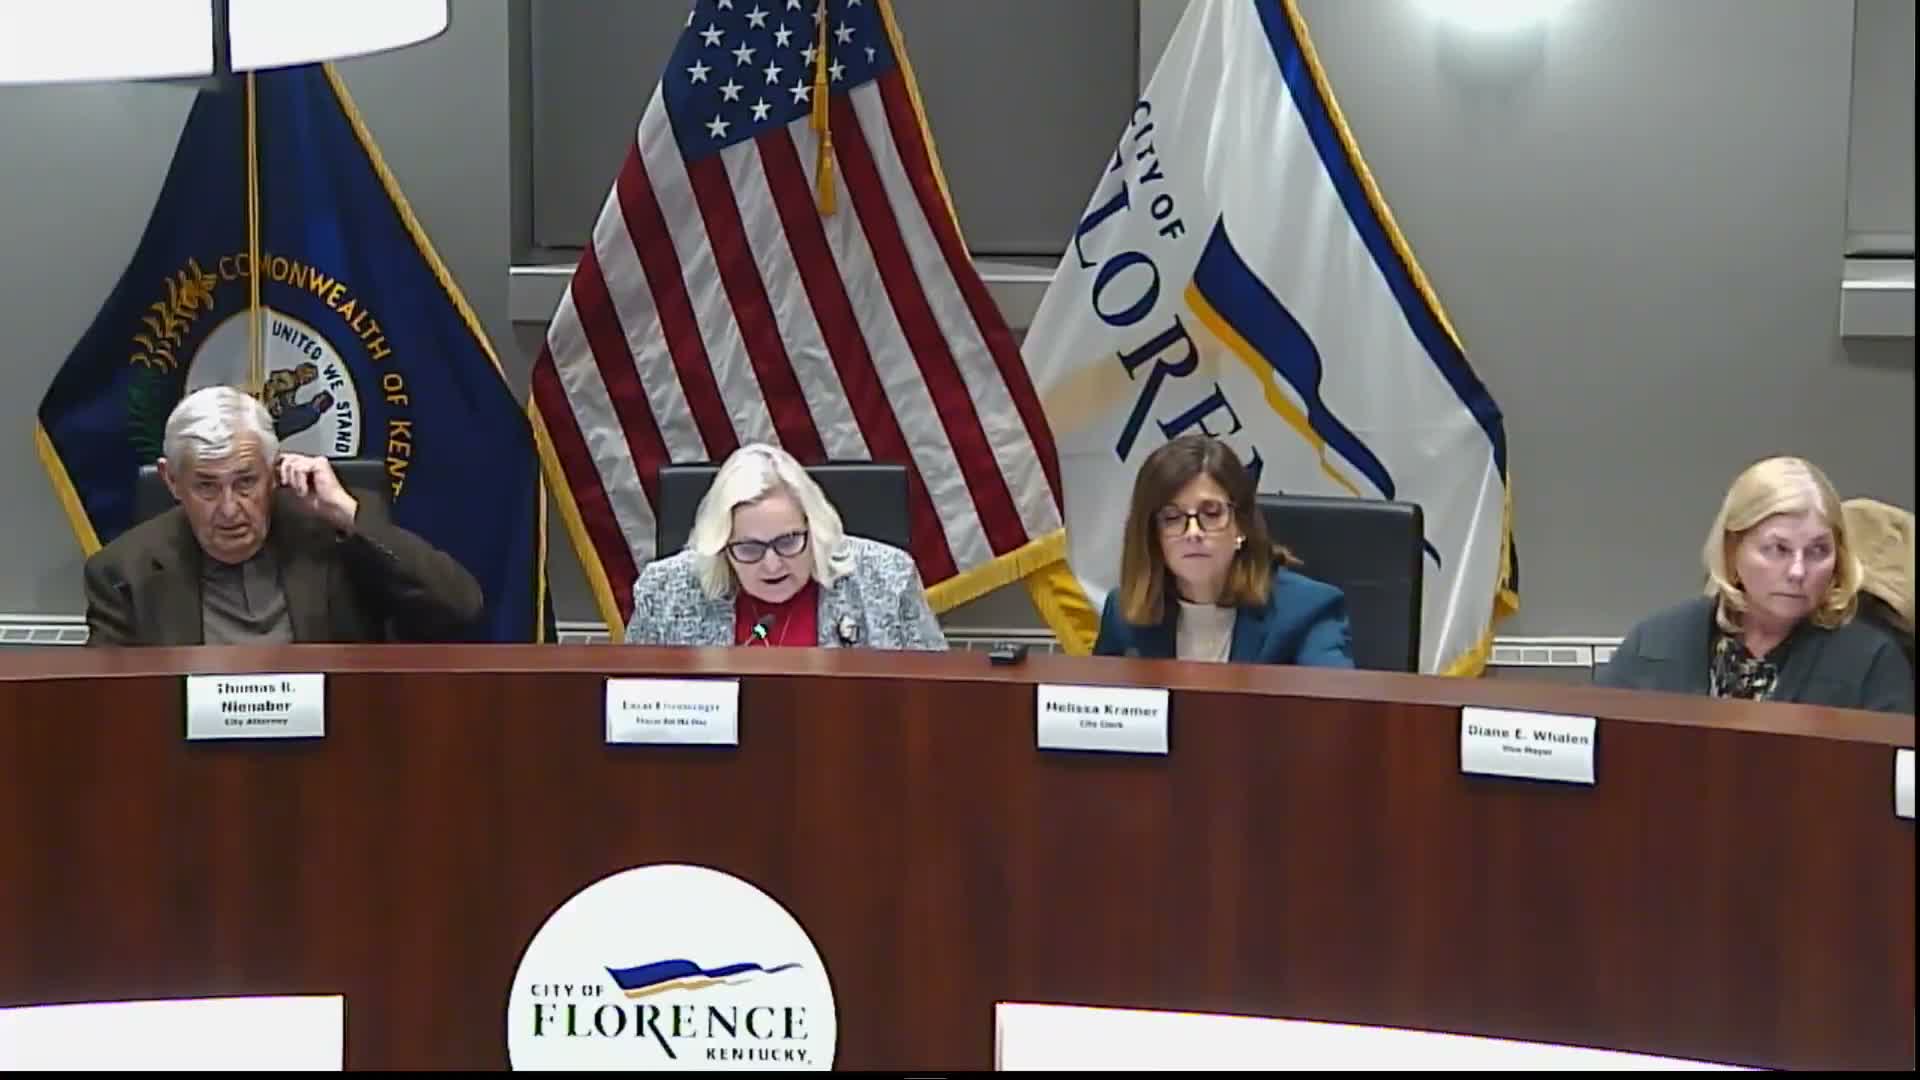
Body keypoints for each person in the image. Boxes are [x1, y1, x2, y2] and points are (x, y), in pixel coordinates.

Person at [83, 385, 484, 646]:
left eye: (246, 482)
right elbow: (107, 704)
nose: (229, 509)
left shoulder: (335, 535)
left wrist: (348, 515)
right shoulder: (123, 572)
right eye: (206, 486)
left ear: (274, 471)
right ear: (171, 480)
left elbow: (460, 607)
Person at [1596, 457, 1914, 714]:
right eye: (1778, 549)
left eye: (1818, 551)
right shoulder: (1655, 643)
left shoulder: (1871, 662)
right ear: (1732, 549)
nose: (1798, 571)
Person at [623, 443, 947, 650]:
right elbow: (630, 708)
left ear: (814, 528)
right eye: (749, 549)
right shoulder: (664, 591)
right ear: (721, 546)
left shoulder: (889, 578)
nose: (772, 565)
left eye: (788, 541)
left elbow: (936, 700)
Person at [1092, 434, 1354, 666]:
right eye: (1171, 517)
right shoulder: (1124, 613)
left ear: (1241, 525)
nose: (1193, 532)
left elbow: (1335, 702)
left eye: (1211, 513)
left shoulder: (1306, 610)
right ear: (1151, 535)